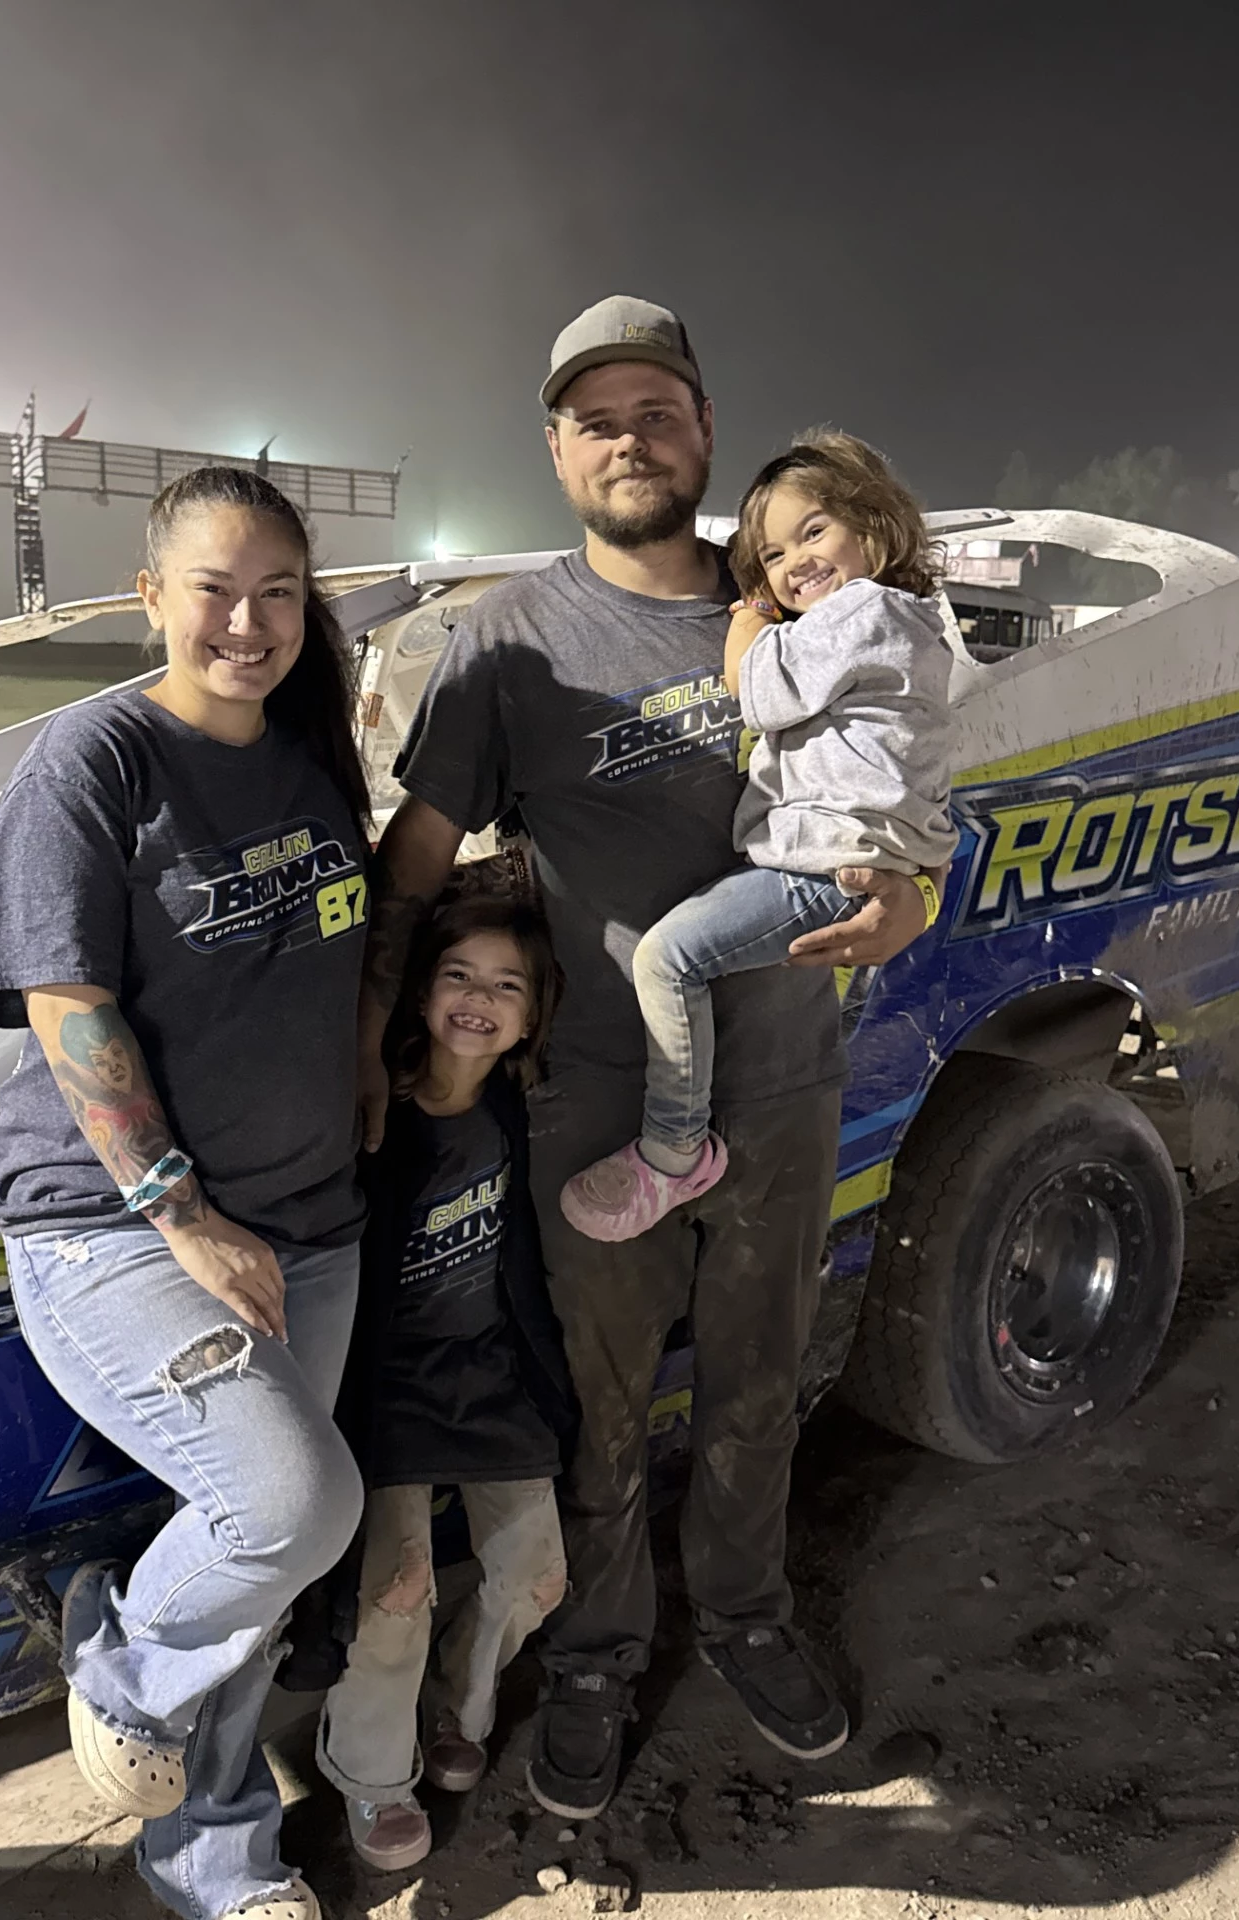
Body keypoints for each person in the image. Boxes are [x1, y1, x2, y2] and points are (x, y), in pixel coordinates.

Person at [354, 296, 947, 1822]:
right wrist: (368, 1035)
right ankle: (601, 1653)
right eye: (596, 419)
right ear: (557, 449)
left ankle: (746, 1611)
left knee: (758, 1382)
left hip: (783, 1077)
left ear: (705, 429)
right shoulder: (511, 639)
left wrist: (923, 889)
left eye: (658, 412)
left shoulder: (801, 595)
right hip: (596, 1099)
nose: (630, 440)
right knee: (604, 1404)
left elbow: (911, 766)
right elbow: (419, 849)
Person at [0, 467, 373, 1920]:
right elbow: (67, 1006)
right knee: (289, 1506)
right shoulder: (96, 757)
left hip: (313, 1222)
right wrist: (183, 1214)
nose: (249, 624)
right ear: (150, 595)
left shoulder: (311, 755)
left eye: (279, 594)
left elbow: (336, 951)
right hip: (119, 1226)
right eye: (215, 589)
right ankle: (120, 1667)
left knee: (263, 1576)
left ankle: (215, 1857)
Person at [560, 429, 957, 1240]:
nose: (796, 562)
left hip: (825, 866)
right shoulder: (905, 622)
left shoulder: (863, 609)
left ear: (873, 525)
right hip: (850, 864)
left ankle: (674, 1148)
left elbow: (763, 693)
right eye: (772, 556)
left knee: (667, 958)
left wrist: (748, 619)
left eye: (814, 531)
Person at [310, 887, 576, 1873]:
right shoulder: (371, 1114)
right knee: (396, 1590)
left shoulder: (519, 1110)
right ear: (421, 991)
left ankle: (457, 1703)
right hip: (385, 1386)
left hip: (490, 1374)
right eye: (459, 975)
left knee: (537, 1577)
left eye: (507, 986)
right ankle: (372, 1771)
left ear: (533, 1016)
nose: (479, 999)